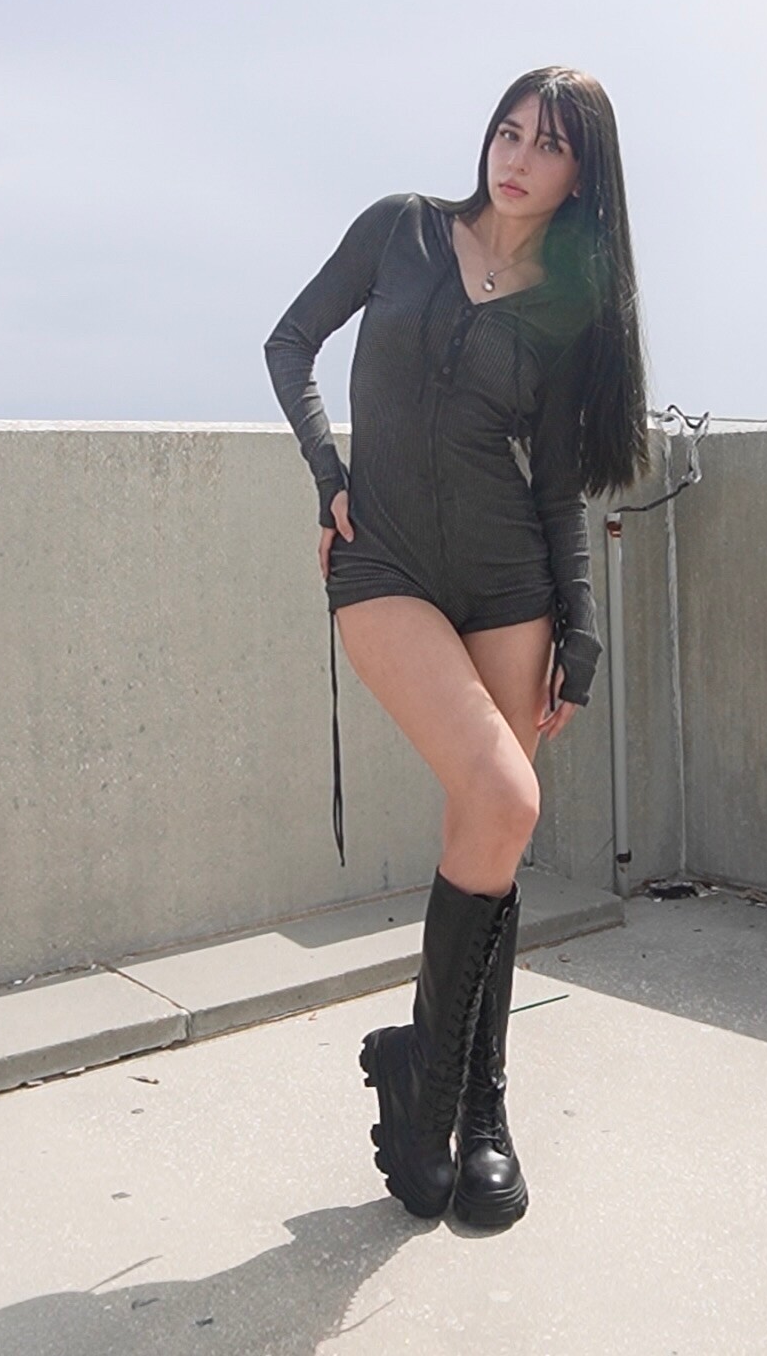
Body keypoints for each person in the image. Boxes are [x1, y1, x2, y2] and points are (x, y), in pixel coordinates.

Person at [263, 65, 651, 1229]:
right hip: (380, 561)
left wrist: (579, 623)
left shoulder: (564, 308)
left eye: (548, 144)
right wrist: (327, 473)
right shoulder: (401, 229)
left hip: (508, 580)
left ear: (582, 175)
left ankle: (476, 1110)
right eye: (508, 130)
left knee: (493, 829)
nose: (517, 157)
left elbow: (559, 485)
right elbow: (291, 342)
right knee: (503, 795)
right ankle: (429, 1084)